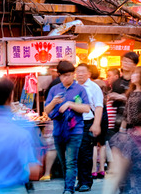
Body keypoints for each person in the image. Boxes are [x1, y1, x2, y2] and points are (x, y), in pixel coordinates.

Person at [45, 61, 91, 194]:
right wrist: (54, 102)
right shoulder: (54, 90)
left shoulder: (80, 89)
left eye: (69, 75)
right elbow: (47, 111)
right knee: (63, 161)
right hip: (58, 130)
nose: (66, 78)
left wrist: (70, 104)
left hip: (75, 130)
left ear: (73, 74)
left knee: (71, 161)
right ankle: (68, 183)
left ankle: (68, 189)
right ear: (59, 76)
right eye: (63, 76)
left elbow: (86, 108)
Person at [75, 63, 104, 192]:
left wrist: (96, 123)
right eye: (78, 71)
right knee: (76, 153)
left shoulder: (94, 87)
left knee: (85, 153)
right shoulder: (73, 86)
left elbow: (98, 106)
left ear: (88, 74)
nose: (80, 74)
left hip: (87, 122)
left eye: (83, 71)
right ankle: (80, 181)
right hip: (73, 124)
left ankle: (86, 181)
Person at [107, 52, 138, 138]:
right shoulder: (116, 82)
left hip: (134, 120)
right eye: (124, 61)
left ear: (135, 65)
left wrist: (121, 97)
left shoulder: (136, 81)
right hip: (118, 119)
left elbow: (139, 98)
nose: (125, 64)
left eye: (129, 62)